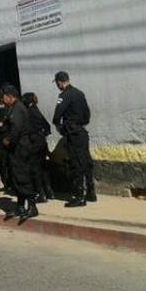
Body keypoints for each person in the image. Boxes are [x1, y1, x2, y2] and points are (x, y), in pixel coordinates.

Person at [52, 71, 96, 207]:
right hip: (82, 132)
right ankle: (91, 192)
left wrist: (60, 127)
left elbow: (56, 116)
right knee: (86, 161)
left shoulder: (65, 95)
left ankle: (79, 196)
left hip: (72, 133)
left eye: (57, 83)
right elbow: (87, 115)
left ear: (60, 82)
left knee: (76, 164)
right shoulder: (80, 93)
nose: (57, 86)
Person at [1, 85, 38, 220]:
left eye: (3, 97)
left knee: (22, 176)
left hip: (20, 147)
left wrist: (8, 140)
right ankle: (20, 206)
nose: (2, 99)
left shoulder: (17, 108)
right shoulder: (12, 108)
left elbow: (15, 129)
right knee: (16, 177)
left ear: (10, 96)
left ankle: (32, 206)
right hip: (16, 148)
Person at [22, 92, 54, 202]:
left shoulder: (28, 112)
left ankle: (41, 194)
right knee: (44, 168)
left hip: (34, 143)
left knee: (35, 169)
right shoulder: (36, 110)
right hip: (41, 142)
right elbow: (47, 127)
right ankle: (49, 191)